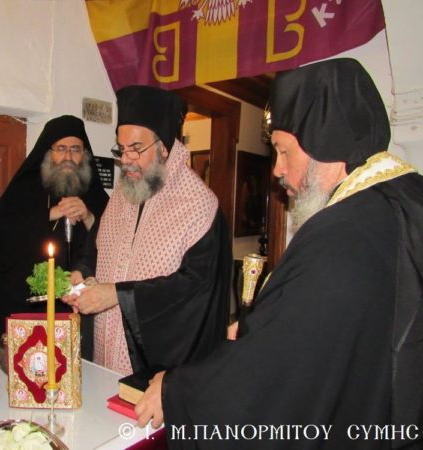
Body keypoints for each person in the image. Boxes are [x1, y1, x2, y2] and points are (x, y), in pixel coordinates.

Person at [135, 58, 423, 449]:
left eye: (284, 151)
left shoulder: (341, 233)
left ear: (326, 143)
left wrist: (175, 390)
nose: (276, 170)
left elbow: (277, 371)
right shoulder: (405, 201)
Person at [63, 85, 233, 376]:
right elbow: (96, 249)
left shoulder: (200, 206)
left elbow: (195, 291)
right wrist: (81, 272)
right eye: (121, 149)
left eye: (136, 149)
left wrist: (119, 295)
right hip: (105, 354)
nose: (125, 159)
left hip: (157, 371)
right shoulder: (122, 194)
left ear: (164, 147)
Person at [0, 115, 109, 346]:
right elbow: (2, 224)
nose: (68, 157)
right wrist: (50, 214)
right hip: (29, 305)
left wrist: (88, 216)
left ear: (84, 154)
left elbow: (114, 236)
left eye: (75, 149)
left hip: (78, 306)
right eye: (61, 149)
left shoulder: (94, 193)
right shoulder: (26, 187)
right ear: (48, 152)